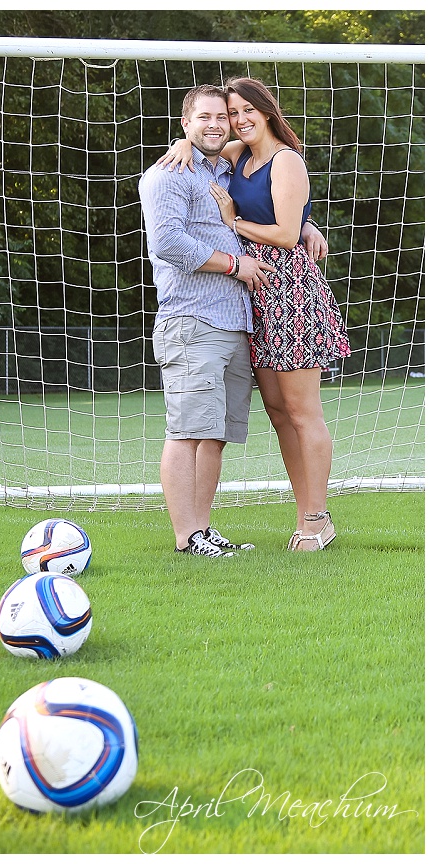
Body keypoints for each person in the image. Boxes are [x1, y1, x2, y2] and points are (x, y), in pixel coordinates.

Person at [157, 77, 351, 552]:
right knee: (279, 413)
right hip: (251, 295)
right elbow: (201, 142)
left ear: (267, 111)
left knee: (304, 412)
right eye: (232, 111)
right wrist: (183, 139)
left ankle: (316, 519)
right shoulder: (236, 156)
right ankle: (301, 511)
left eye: (246, 110)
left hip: (291, 292)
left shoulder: (287, 159)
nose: (238, 120)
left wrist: (237, 223)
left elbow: (285, 234)